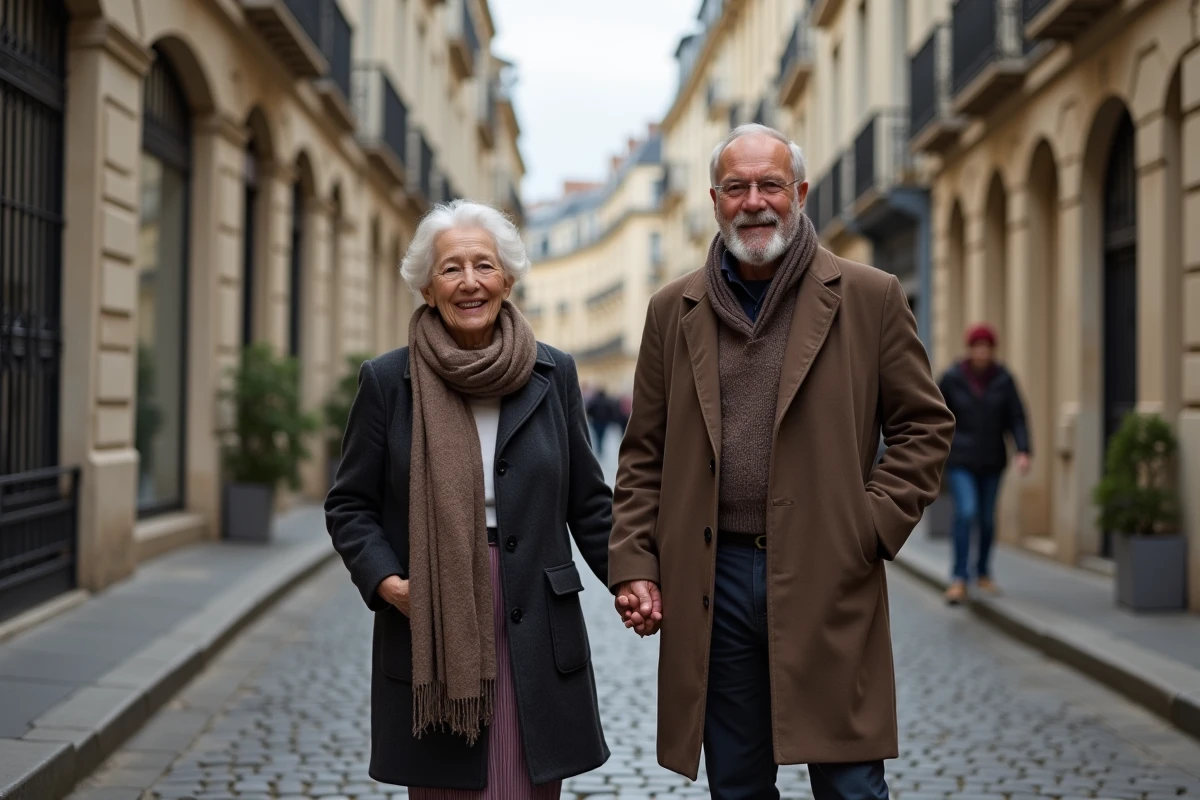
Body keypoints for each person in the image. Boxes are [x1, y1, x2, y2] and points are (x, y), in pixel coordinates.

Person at [608, 124, 955, 800]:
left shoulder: (869, 295)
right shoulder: (671, 310)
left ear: (798, 193)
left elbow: (924, 426)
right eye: (736, 187)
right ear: (714, 200)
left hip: (830, 565)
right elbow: (643, 452)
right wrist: (634, 564)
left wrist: (868, 526)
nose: (754, 201)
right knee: (737, 782)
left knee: (851, 781)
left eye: (770, 185)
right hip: (716, 576)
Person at [325, 200, 613, 798]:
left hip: (534, 606)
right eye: (451, 268)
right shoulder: (387, 381)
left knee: (525, 781)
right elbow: (349, 503)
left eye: (484, 265)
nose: (469, 281)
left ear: (507, 280)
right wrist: (389, 583)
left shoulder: (553, 373)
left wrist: (636, 582)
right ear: (427, 290)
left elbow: (588, 502)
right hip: (432, 609)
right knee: (446, 785)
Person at [936, 323, 1031, 605]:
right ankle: (958, 578)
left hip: (992, 460)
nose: (981, 352)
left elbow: (1017, 416)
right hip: (961, 460)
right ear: (969, 349)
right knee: (966, 512)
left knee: (987, 519)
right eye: (977, 347)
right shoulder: (952, 378)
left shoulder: (1003, 379)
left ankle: (983, 573)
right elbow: (935, 413)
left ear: (992, 350)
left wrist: (1023, 449)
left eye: (986, 347)